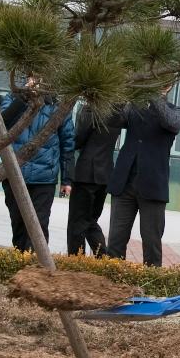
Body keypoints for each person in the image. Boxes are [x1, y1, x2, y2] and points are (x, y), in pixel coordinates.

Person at [105, 89, 180, 266]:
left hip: (152, 187)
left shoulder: (177, 112)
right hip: (124, 183)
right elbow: (112, 119)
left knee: (151, 244)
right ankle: (112, 283)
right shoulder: (134, 108)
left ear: (168, 87)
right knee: (115, 241)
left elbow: (171, 123)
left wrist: (153, 94)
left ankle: (150, 287)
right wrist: (123, 93)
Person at [0, 85, 74, 252]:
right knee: (18, 223)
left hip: (45, 178)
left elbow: (67, 144)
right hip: (15, 173)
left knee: (39, 225)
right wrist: (24, 98)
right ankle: (21, 266)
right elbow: (2, 123)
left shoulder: (58, 105)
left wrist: (67, 179)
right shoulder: (13, 98)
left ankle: (36, 268)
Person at [66, 103, 120, 256]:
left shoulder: (92, 109)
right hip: (105, 175)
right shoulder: (119, 111)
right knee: (90, 221)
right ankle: (102, 257)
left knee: (77, 222)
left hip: (87, 173)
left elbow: (79, 139)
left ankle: (75, 261)